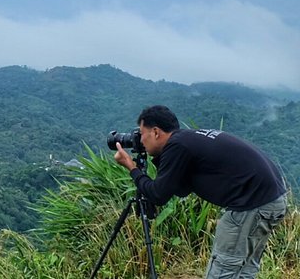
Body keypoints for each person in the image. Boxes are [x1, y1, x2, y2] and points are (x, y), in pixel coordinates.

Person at [113, 105, 289, 279]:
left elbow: (158, 195)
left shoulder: (177, 146)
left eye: (142, 134)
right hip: (273, 198)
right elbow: (181, 189)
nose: (140, 141)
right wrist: (159, 160)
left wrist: (132, 168)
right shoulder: (186, 140)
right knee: (244, 270)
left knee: (222, 272)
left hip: (251, 204)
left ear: (156, 132)